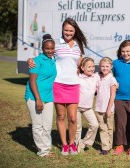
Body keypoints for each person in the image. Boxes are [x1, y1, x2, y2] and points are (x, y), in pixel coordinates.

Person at [28, 18, 88, 155]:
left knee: (73, 118)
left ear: (75, 31)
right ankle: (65, 145)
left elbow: (80, 61)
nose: (68, 32)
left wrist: (82, 67)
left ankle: (72, 143)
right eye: (66, 30)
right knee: (61, 116)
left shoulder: (78, 45)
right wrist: (30, 60)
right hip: (59, 84)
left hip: (74, 84)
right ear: (62, 29)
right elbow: (45, 55)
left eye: (71, 30)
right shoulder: (57, 44)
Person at [24, 34, 56, 157]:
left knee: (47, 125)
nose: (50, 51)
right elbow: (32, 81)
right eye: (47, 49)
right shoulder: (36, 61)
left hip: (48, 97)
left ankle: (47, 148)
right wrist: (38, 99)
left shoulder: (54, 60)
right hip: (34, 97)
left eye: (52, 48)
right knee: (38, 125)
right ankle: (42, 151)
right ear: (43, 48)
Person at [112, 40, 130, 156]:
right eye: (123, 51)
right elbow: (110, 76)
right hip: (119, 98)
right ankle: (119, 144)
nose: (125, 53)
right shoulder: (116, 63)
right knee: (120, 122)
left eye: (128, 51)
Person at [95, 57, 118, 155]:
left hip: (108, 108)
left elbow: (113, 95)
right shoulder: (98, 77)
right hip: (99, 108)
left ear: (111, 67)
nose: (105, 68)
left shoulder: (112, 79)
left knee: (109, 128)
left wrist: (109, 109)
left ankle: (107, 147)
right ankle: (105, 146)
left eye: (107, 66)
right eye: (103, 66)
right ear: (100, 67)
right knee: (102, 127)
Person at [75, 57, 99, 153]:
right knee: (77, 127)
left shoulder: (96, 76)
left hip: (88, 108)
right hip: (76, 107)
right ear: (82, 68)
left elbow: (107, 74)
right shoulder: (77, 77)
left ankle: (84, 143)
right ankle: (77, 145)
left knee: (95, 124)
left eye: (93, 66)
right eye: (89, 67)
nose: (92, 68)